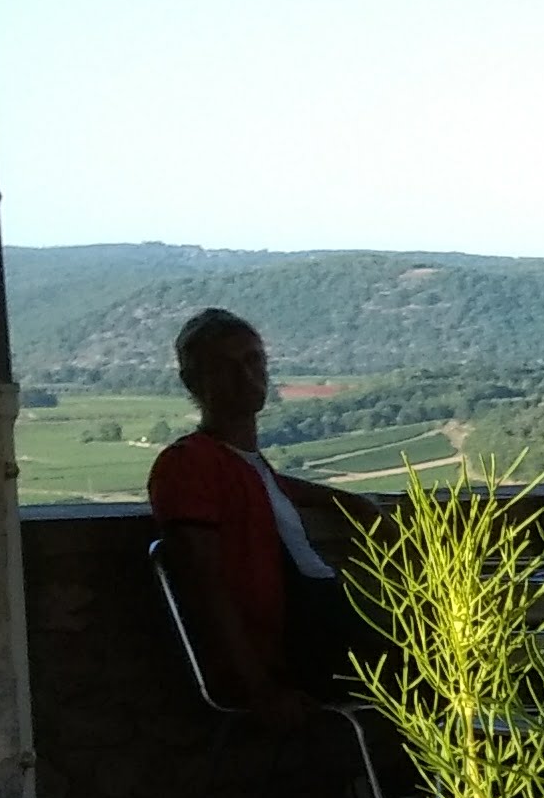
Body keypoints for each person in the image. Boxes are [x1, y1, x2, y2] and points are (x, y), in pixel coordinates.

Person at [146, 309, 376, 724]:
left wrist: (350, 502)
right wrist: (260, 687)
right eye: (225, 366)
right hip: (299, 651)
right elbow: (205, 586)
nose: (246, 376)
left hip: (321, 633)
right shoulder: (187, 465)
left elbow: (268, 485)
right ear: (193, 382)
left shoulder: (242, 466)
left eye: (254, 361)